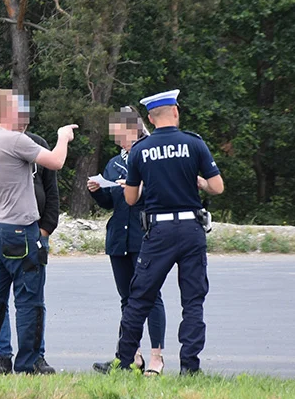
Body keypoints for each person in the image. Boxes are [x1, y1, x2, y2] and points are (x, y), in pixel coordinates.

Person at [95, 89, 224, 376]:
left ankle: (126, 360)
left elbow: (130, 199)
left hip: (157, 230)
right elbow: (217, 187)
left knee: (139, 297)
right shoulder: (194, 144)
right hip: (191, 229)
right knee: (192, 300)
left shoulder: (141, 150)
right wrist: (199, 182)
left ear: (150, 120)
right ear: (176, 112)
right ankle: (190, 366)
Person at [0, 89, 77, 375]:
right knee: (29, 300)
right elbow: (56, 162)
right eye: (17, 107)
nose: (21, 112)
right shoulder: (15, 140)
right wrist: (63, 137)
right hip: (21, 230)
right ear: (5, 111)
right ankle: (28, 364)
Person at [89, 107, 167, 376]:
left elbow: (162, 192)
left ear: (133, 129)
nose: (116, 136)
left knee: (151, 297)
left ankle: (157, 357)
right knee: (127, 299)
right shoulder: (114, 162)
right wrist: (98, 192)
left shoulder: (150, 155)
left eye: (119, 130)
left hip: (144, 235)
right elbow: (111, 203)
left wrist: (136, 188)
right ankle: (131, 356)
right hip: (118, 239)